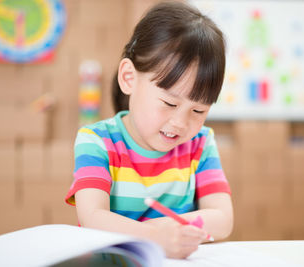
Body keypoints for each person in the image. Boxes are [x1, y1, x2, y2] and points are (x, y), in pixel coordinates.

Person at [65, 1, 233, 259]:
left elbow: (222, 219)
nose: (180, 122)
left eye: (198, 111)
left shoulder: (200, 144)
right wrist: (156, 237)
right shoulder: (97, 141)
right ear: (129, 78)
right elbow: (93, 217)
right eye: (169, 103)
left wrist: (164, 233)